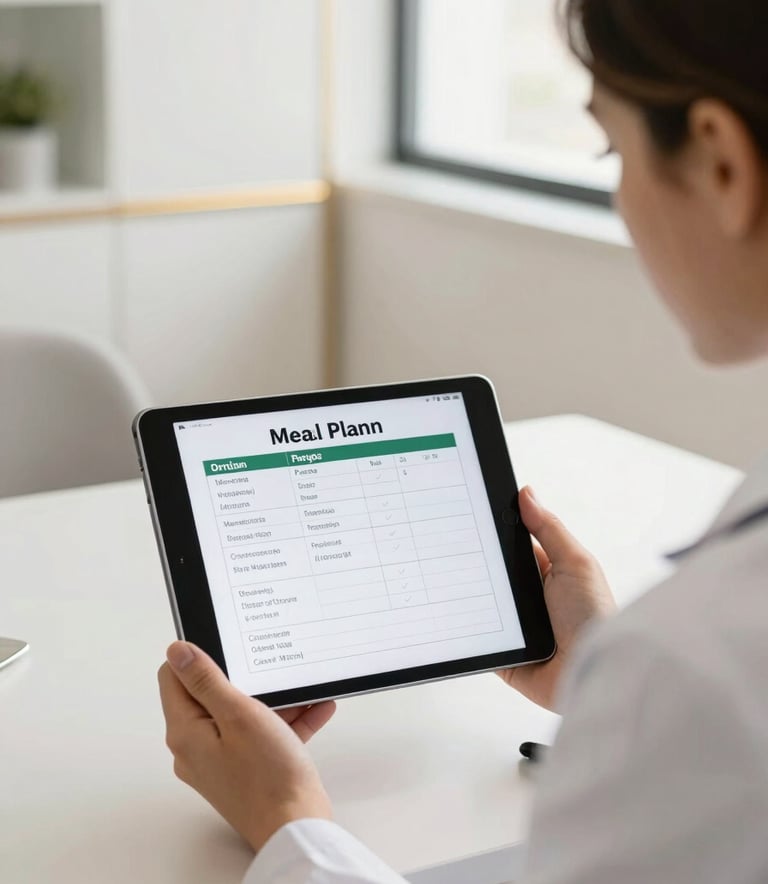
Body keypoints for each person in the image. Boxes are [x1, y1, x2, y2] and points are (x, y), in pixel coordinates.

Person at [157, 0, 768, 880]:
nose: (620, 195)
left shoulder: (702, 666)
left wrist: (289, 821)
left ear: (720, 160)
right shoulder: (685, 673)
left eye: (613, 150)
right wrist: (602, 679)